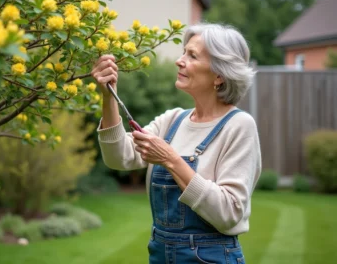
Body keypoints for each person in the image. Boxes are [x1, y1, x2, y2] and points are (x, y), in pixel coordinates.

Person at [91, 23, 262, 264]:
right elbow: (119, 157)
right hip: (160, 254)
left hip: (211, 257)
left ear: (219, 75)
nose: (179, 61)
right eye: (184, 52)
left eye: (192, 55)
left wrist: (170, 159)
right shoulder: (173, 120)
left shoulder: (239, 126)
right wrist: (108, 97)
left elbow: (229, 213)